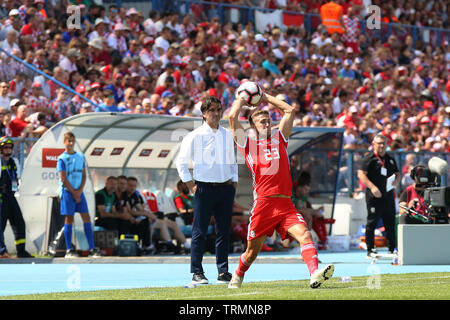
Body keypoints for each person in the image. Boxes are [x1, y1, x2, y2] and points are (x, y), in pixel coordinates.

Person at [227, 91, 334, 289]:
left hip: (285, 204)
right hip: (264, 204)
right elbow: (232, 117)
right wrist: (242, 100)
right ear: (252, 126)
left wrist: (265, 97)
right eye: (262, 122)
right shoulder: (247, 144)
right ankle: (238, 274)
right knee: (252, 253)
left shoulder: (280, 138)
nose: (267, 125)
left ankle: (314, 274)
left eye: (268, 121)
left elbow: (289, 110)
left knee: (305, 235)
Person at [176, 95, 238, 285]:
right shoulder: (194, 135)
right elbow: (181, 162)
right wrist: (191, 185)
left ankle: (223, 271)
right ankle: (197, 271)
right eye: (212, 110)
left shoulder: (227, 134)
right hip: (203, 188)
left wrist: (234, 182)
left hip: (225, 188)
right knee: (199, 231)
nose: (216, 114)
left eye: (219, 110)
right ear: (203, 114)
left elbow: (232, 160)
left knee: (223, 231)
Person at [57, 132, 101, 258]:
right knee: (69, 219)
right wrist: (74, 192)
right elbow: (63, 178)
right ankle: (69, 250)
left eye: (72, 141)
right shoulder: (62, 158)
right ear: (64, 142)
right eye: (68, 141)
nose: (71, 143)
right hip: (67, 192)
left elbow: (84, 175)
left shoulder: (80, 157)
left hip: (78, 192)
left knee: (86, 217)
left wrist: (79, 191)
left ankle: (92, 248)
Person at [357, 134, 400, 258]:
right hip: (374, 196)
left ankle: (392, 248)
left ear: (386, 145)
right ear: (374, 144)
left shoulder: (390, 159)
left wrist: (396, 181)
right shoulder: (369, 158)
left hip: (388, 195)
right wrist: (372, 187)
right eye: (379, 143)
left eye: (383, 143)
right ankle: (370, 249)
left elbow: (397, 173)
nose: (381, 146)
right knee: (372, 222)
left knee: (390, 222)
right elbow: (361, 174)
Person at [0, 136, 33, 258]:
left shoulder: (13, 162)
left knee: (19, 222)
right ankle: (2, 251)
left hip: (11, 196)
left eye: (10, 147)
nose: (8, 149)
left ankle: (21, 251)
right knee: (1, 226)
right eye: (5, 147)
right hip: (2, 198)